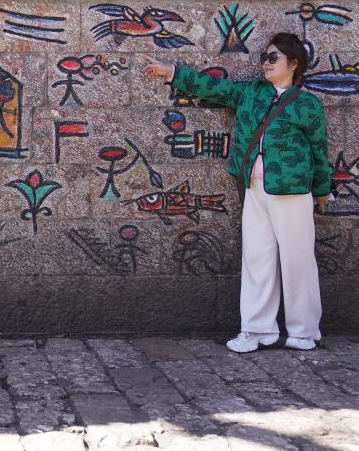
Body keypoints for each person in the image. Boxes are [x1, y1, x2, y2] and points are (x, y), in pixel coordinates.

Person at [141, 32, 331, 353]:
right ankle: (257, 329)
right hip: (254, 187)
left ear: (294, 63)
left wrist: (322, 190)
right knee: (257, 258)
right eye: (264, 57)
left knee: (297, 260)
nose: (266, 63)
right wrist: (171, 72)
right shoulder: (251, 92)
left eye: (273, 57)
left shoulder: (307, 104)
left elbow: (319, 150)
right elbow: (215, 87)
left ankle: (303, 331)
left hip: (292, 190)